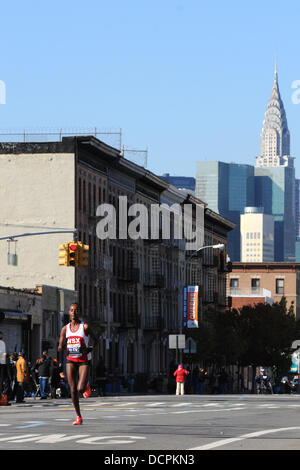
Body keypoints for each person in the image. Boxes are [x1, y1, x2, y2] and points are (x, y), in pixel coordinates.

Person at [58, 303, 98, 425]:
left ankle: (86, 385)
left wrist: (90, 348)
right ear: (69, 313)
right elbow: (60, 344)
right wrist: (61, 346)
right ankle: (78, 416)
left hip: (83, 360)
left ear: (79, 312)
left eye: (76, 310)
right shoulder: (65, 329)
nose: (74, 313)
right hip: (70, 360)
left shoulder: (84, 327)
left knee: (80, 388)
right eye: (71, 310)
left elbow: (96, 339)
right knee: (73, 389)